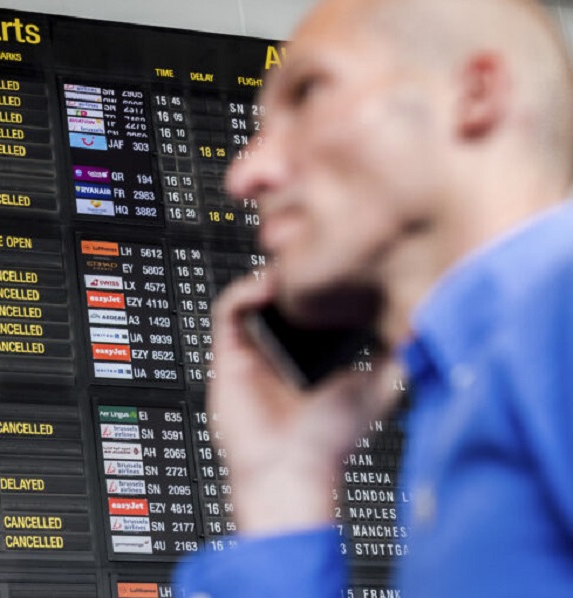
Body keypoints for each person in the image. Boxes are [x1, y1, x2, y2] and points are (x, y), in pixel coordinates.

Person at [174, 0, 573, 595]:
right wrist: (281, 490)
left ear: (475, 93)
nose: (244, 174)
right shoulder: (464, 390)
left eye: (307, 92)